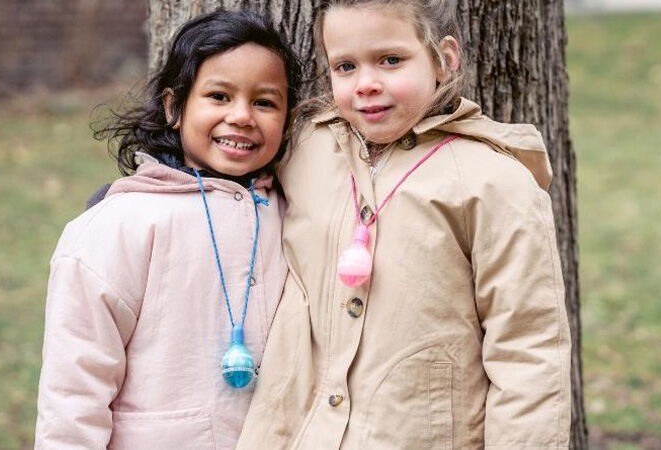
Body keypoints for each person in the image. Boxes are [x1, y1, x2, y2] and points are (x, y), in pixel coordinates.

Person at [236, 1, 572, 448]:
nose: (367, 85)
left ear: (443, 59)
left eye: (391, 60)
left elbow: (528, 348)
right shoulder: (303, 149)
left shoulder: (493, 182)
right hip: (297, 433)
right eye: (345, 66)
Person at [34, 10, 301, 449]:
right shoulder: (122, 224)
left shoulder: (294, 215)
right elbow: (74, 387)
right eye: (218, 96)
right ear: (174, 106)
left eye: (265, 102)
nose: (242, 116)